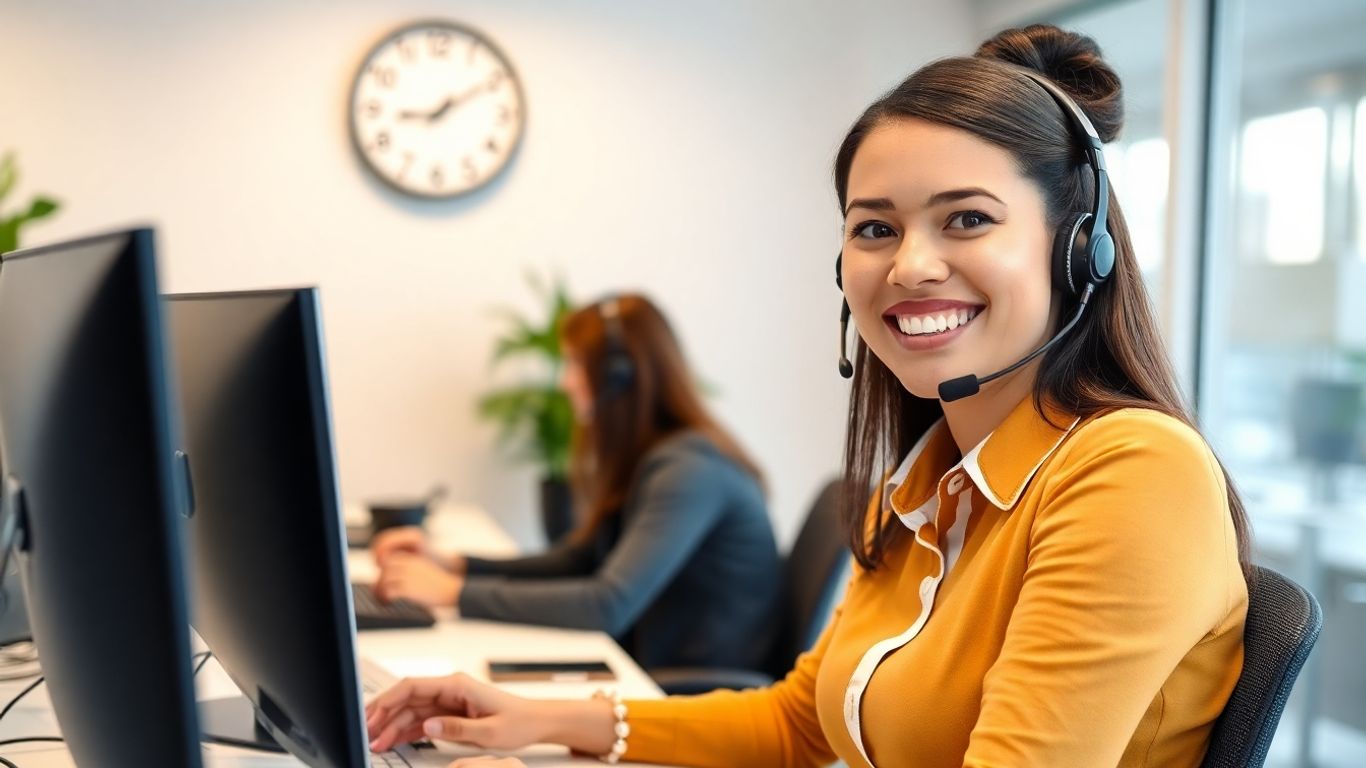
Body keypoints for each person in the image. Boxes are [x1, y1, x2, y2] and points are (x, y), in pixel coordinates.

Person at [364, 25, 1252, 768]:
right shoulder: (935, 481)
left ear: (1077, 246)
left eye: (967, 218)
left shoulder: (1133, 472)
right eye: (876, 227)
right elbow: (797, 720)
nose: (909, 264)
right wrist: (535, 718)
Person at [370, 293, 782, 671]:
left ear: (620, 377)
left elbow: (607, 604)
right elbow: (579, 559)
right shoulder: (657, 457)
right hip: (648, 663)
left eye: (574, 364)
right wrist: (455, 564)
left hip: (694, 690)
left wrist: (454, 592)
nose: (565, 381)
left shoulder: (690, 473)